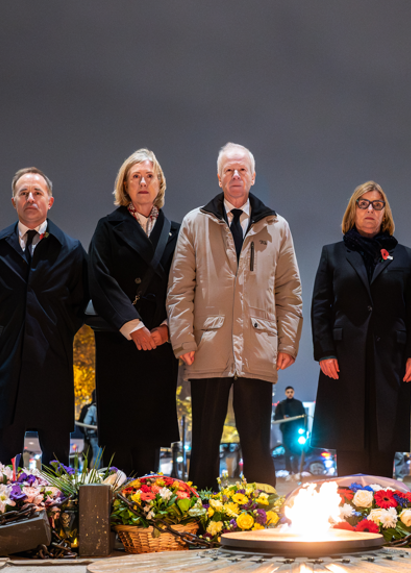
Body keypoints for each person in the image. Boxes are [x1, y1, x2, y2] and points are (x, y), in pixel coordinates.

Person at [167, 143, 303, 491]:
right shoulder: (194, 223)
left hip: (258, 346)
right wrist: (182, 339)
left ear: (253, 176)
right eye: (229, 170)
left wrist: (287, 342)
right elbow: (180, 287)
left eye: (242, 169)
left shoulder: (277, 226)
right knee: (204, 443)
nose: (236, 175)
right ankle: (200, 510)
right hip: (207, 345)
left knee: (257, 442)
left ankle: (263, 509)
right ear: (219, 177)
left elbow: (289, 290)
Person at [311, 181, 411, 476]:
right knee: (348, 433)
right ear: (353, 210)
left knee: (384, 432)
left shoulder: (406, 256)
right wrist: (324, 351)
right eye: (363, 204)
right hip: (344, 356)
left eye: (377, 204)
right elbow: (321, 306)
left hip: (391, 358)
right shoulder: (332, 254)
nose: (370, 210)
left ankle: (384, 500)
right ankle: (350, 500)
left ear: (384, 212)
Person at [0, 167, 89, 467]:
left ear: (49, 201)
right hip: (9, 362)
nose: (30, 198)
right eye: (23, 193)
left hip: (52, 361)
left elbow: (79, 305)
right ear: (14, 201)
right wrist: (9, 331)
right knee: (6, 465)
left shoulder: (71, 250)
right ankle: (5, 501)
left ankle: (58, 501)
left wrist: (55, 333)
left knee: (57, 463)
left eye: (37, 193)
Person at [88, 149, 181, 476]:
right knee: (118, 440)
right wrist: (133, 325)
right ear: (125, 185)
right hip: (120, 341)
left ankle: (147, 502)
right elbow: (99, 279)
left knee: (150, 440)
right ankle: (114, 504)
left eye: (149, 176)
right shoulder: (107, 227)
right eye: (136, 176)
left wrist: (167, 328)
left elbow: (187, 285)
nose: (143, 182)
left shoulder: (177, 232)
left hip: (159, 342)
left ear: (159, 184)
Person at [273, 386, 306, 473]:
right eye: (288, 392)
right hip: (286, 431)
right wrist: (283, 418)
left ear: (293, 392)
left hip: (296, 430)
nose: (290, 394)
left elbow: (304, 417)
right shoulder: (282, 405)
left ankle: (295, 469)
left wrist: (304, 430)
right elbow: (276, 417)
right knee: (287, 451)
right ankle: (289, 470)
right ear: (285, 393)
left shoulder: (298, 404)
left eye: (291, 392)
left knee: (297, 450)